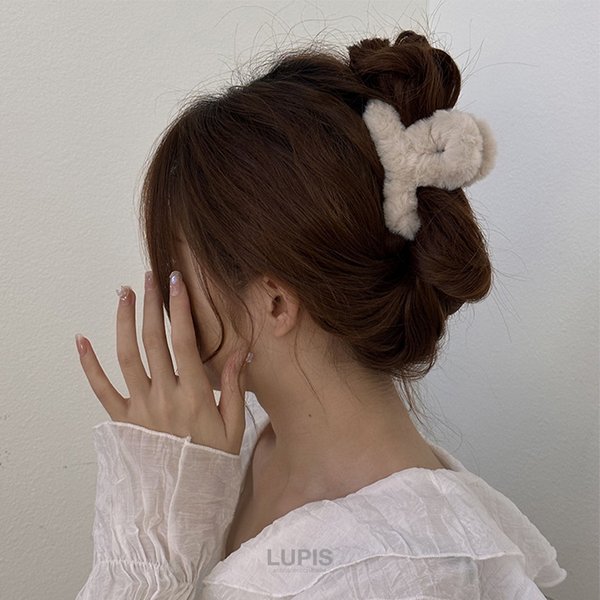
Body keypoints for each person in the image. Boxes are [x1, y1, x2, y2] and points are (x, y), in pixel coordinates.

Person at [74, 29, 567, 599]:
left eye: (176, 266)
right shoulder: (252, 449)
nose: (165, 297)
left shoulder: (399, 576)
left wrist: (151, 538)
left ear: (275, 301)